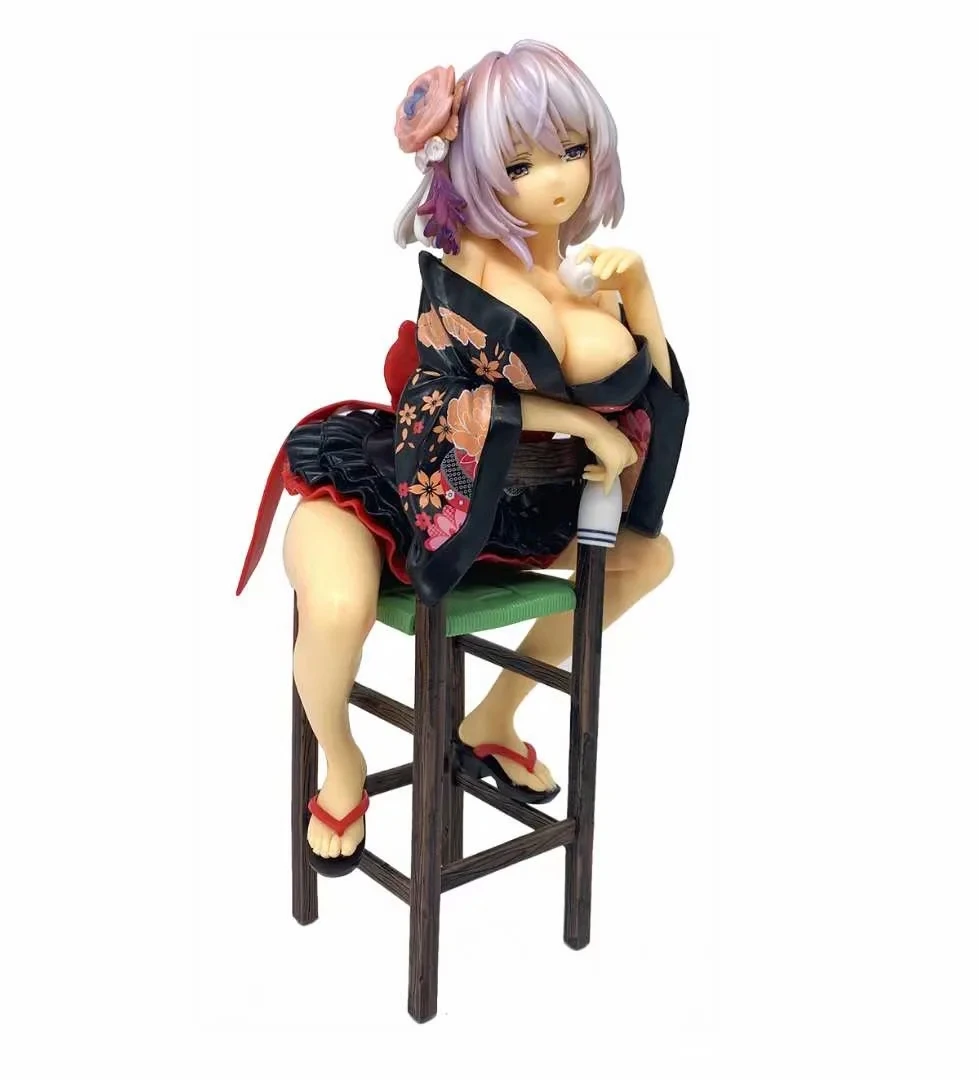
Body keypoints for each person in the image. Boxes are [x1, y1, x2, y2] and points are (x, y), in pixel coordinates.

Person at [237, 40, 689, 875]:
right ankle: (342, 760)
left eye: (573, 149)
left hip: (504, 508)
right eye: (520, 163)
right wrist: (577, 422)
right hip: (393, 485)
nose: (557, 178)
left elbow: (656, 398)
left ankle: (493, 716)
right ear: (472, 169)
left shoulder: (593, 279)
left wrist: (642, 294)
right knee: (336, 608)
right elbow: (437, 404)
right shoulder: (464, 273)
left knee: (646, 558)